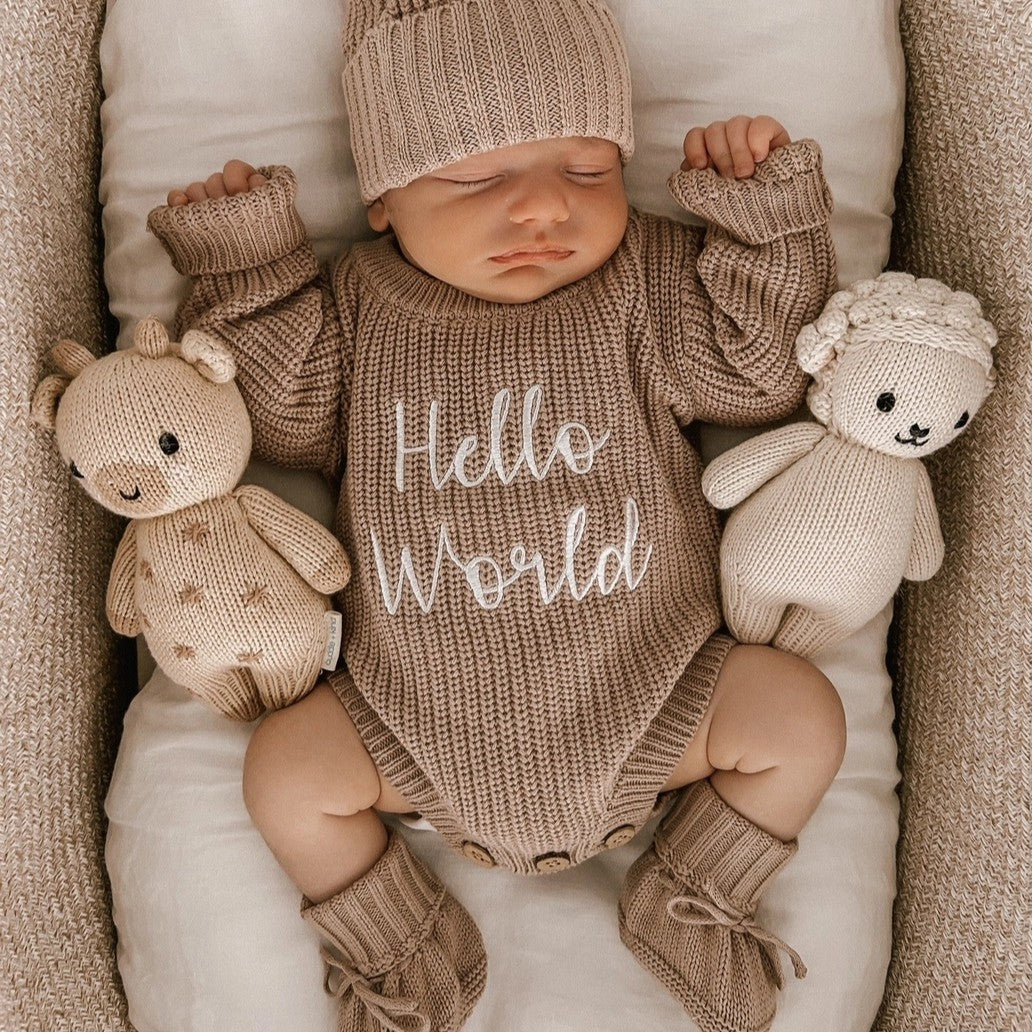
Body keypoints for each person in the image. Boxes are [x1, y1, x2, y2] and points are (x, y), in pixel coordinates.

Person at [147, 0, 845, 1029]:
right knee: (287, 772)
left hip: (659, 697)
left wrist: (762, 221)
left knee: (797, 714)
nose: (543, 209)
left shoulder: (643, 284)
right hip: (405, 724)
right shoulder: (356, 306)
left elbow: (758, 376)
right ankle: (396, 940)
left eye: (588, 170)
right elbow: (274, 417)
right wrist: (248, 266)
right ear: (382, 201)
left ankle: (697, 889)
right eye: (476, 180)